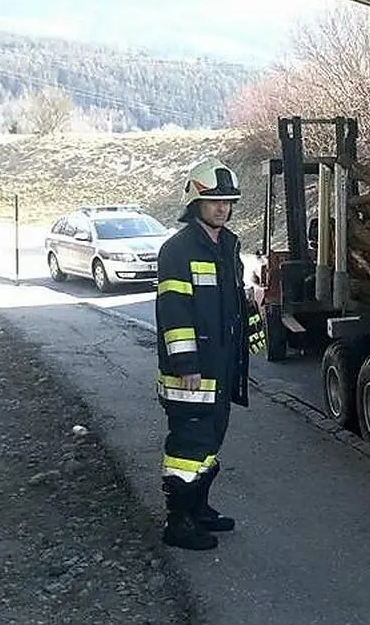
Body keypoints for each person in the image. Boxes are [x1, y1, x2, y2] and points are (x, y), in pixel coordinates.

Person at [155, 157, 266, 551]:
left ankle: (198, 509)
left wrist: (251, 325)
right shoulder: (177, 250)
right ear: (195, 202)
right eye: (215, 201)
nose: (223, 208)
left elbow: (232, 300)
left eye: (228, 201)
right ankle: (178, 522)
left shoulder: (228, 244)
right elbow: (174, 312)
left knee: (209, 444)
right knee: (188, 446)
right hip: (190, 372)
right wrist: (185, 363)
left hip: (220, 367)